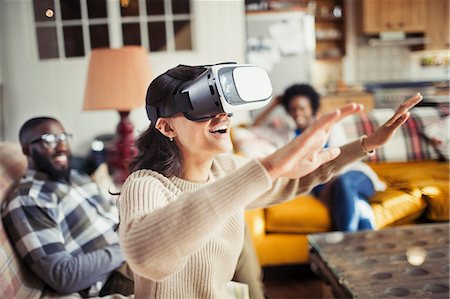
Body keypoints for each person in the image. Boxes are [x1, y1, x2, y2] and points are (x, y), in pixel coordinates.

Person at [117, 64, 422, 298]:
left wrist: (367, 144)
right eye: (202, 108)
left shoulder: (225, 168)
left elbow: (293, 179)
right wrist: (267, 167)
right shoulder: (145, 185)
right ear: (167, 128)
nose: (222, 117)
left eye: (223, 107)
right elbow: (148, 257)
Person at [1, 117, 133, 297]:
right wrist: (131, 246)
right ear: (27, 150)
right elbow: (62, 275)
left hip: (132, 253)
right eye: (50, 140)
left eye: (63, 138)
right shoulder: (28, 200)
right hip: (114, 276)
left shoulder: (78, 177)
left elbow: (115, 214)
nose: (62, 146)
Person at [253, 84, 388, 231]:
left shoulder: (331, 127)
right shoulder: (285, 135)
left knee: (343, 183)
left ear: (312, 108)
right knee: (357, 204)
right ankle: (361, 241)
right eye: (292, 109)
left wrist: (331, 181)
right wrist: (273, 105)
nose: (297, 113)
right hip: (323, 186)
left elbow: (346, 159)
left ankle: (347, 240)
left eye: (302, 108)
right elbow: (253, 128)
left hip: (353, 176)